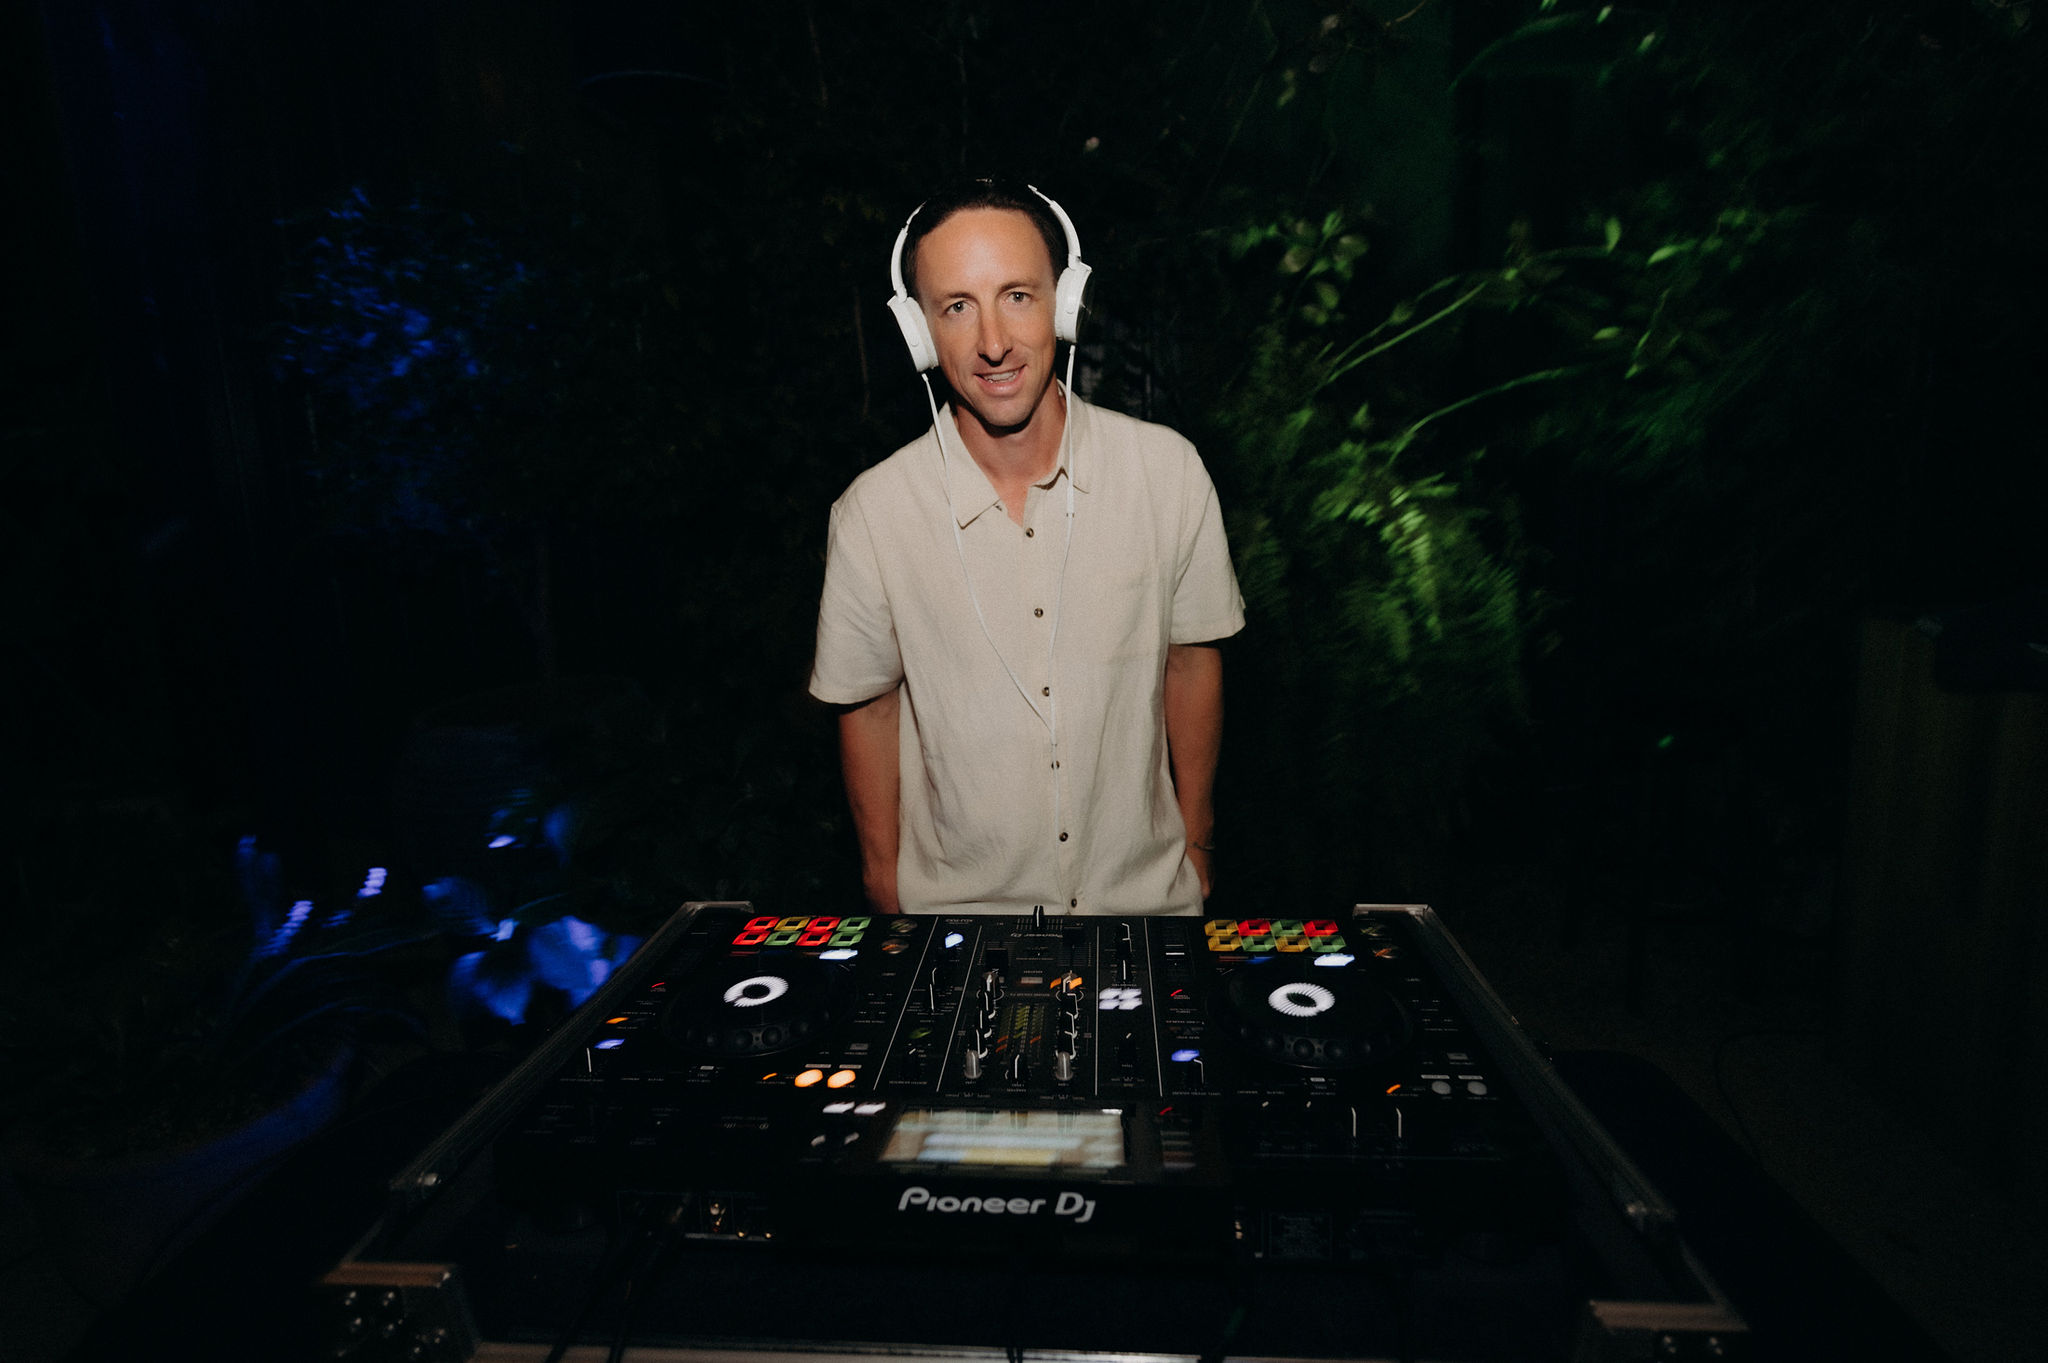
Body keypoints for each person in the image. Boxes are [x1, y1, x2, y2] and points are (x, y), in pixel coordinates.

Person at [808, 178, 1243, 916]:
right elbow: (869, 708)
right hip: (950, 924)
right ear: (919, 333)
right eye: (956, 307)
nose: (993, 342)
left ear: (1065, 303)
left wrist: (1197, 846)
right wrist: (883, 883)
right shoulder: (872, 516)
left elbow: (1192, 661)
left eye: (1016, 295)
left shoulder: (1167, 473)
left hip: (1145, 911)